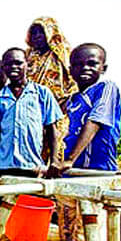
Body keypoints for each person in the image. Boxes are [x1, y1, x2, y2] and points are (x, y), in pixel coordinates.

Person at [51, 43, 121, 241]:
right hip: (70, 175)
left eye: (92, 63)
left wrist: (70, 159)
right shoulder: (71, 101)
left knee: (89, 237)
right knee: (66, 233)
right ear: (71, 69)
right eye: (78, 64)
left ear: (103, 68)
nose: (85, 68)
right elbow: (57, 132)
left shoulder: (106, 88)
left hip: (95, 173)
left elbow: (95, 121)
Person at [0, 48, 63, 177]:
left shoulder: (42, 93)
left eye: (18, 63)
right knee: (5, 197)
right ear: (3, 67)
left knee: (29, 197)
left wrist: (54, 160)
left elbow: (51, 130)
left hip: (33, 165)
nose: (13, 67)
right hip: (5, 166)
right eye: (8, 64)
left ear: (27, 64)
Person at [26, 17, 77, 162]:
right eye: (33, 33)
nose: (36, 37)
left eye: (40, 33)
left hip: (57, 109)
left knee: (55, 146)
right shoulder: (28, 56)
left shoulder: (63, 55)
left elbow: (72, 83)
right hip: (32, 111)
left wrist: (62, 103)